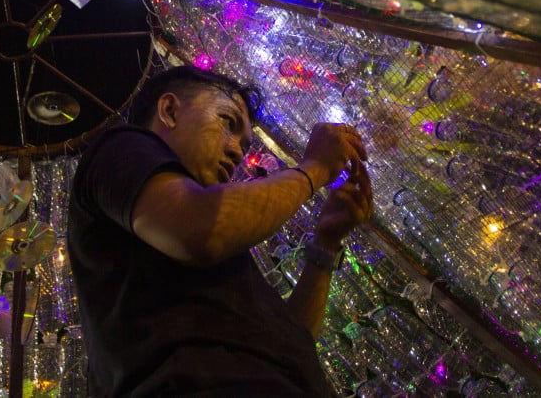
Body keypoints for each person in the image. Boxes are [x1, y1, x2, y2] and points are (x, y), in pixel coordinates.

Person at [67, 65, 374, 397]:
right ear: (169, 110)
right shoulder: (120, 148)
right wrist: (314, 169)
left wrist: (325, 245)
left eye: (244, 144)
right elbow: (199, 231)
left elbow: (289, 344)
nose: (237, 152)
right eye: (228, 123)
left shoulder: (215, 237)